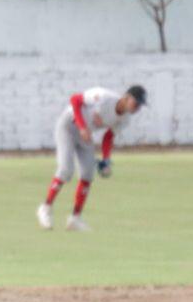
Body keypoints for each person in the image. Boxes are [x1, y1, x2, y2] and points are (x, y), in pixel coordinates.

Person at [37, 85, 146, 232]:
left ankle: (75, 218)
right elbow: (75, 100)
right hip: (68, 126)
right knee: (66, 170)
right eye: (136, 103)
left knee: (88, 173)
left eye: (140, 105)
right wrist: (82, 127)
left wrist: (106, 160)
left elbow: (108, 137)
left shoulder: (125, 119)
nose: (137, 107)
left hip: (86, 134)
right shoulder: (103, 96)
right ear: (126, 98)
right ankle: (46, 208)